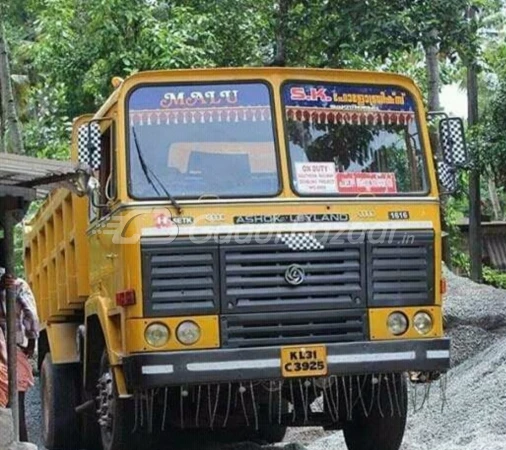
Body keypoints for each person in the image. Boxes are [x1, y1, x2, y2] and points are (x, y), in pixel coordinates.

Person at [0, 268, 39, 442]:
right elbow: (31, 315)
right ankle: (19, 443)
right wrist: (30, 343)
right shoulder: (18, 285)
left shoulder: (13, 286)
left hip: (10, 349)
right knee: (17, 408)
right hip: (15, 349)